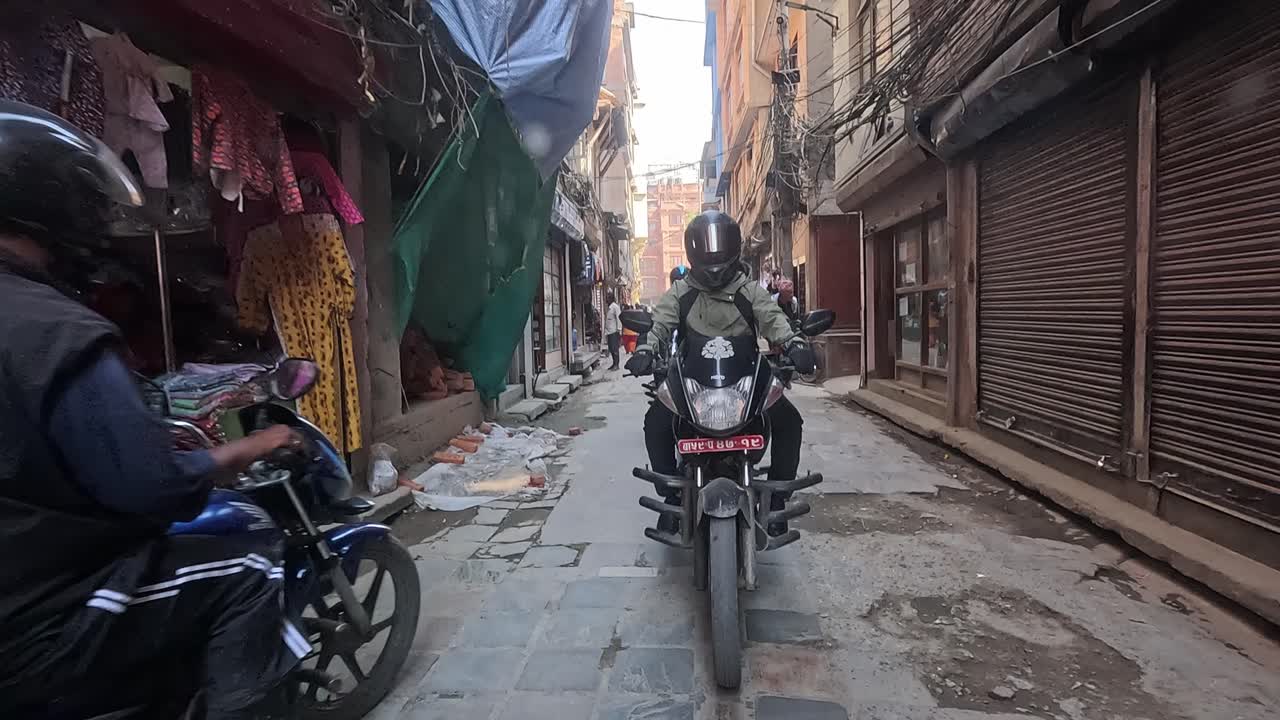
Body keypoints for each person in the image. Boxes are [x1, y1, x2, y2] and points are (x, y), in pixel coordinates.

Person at [0, 101, 305, 718]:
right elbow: (150, 487)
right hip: (39, 616)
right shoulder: (58, 332)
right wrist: (244, 448)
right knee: (250, 566)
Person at [626, 211, 816, 535]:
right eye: (706, 251)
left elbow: (773, 319)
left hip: (743, 380)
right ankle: (672, 496)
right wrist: (645, 350)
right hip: (694, 380)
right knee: (656, 422)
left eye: (720, 250)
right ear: (693, 252)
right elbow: (660, 324)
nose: (714, 261)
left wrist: (794, 344)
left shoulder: (749, 290)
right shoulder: (681, 292)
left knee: (788, 422)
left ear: (733, 250)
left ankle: (778, 499)